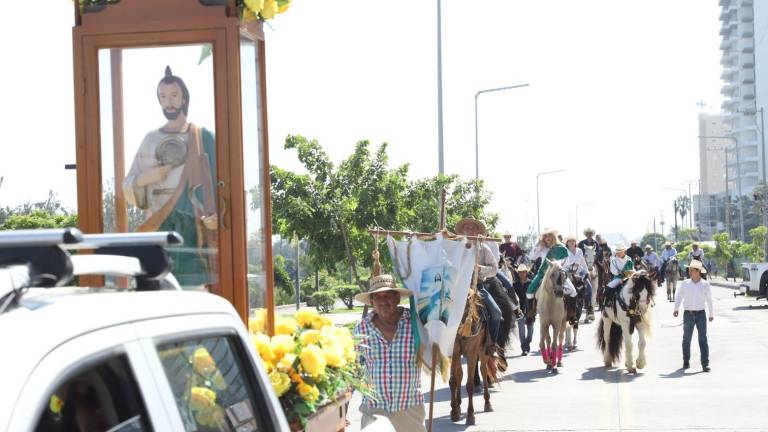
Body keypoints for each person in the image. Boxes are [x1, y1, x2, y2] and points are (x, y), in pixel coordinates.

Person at [123, 66, 218, 289]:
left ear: (184, 98)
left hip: (194, 229)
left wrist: (213, 215)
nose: (169, 102)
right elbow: (128, 187)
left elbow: (222, 184)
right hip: (159, 225)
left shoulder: (202, 137)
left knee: (192, 289)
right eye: (163, 97)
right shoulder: (151, 139)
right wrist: (151, 175)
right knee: (160, 287)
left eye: (174, 95)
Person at [354, 274, 426, 431]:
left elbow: (434, 356)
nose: (382, 301)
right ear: (371, 302)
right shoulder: (362, 328)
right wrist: (343, 407)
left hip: (409, 408)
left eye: (388, 295)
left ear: (398, 298)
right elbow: (354, 369)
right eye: (377, 297)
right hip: (374, 409)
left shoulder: (415, 323)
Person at [455, 218, 519, 359]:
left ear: (478, 231)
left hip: (478, 287)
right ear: (463, 231)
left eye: (473, 228)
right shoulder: (456, 248)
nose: (470, 230)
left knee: (496, 313)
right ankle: (445, 344)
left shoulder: (484, 249)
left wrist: (480, 269)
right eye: (467, 228)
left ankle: (492, 344)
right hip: (458, 288)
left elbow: (494, 269)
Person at [673, 260, 713, 372]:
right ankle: (686, 361)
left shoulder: (705, 284)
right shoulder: (685, 283)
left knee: (702, 339)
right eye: (689, 270)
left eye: (691, 270)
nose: (689, 272)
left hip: (701, 314)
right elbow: (679, 296)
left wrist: (711, 314)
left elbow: (709, 300)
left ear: (698, 271)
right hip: (688, 314)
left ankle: (705, 364)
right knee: (686, 339)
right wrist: (676, 308)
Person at [526, 229, 569, 309]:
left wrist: (557, 264)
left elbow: (567, 262)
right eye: (545, 236)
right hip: (542, 274)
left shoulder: (561, 248)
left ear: (553, 236)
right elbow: (532, 257)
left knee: (572, 291)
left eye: (549, 235)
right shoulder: (542, 248)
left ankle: (571, 314)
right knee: (529, 291)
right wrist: (538, 245)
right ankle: (530, 314)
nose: (547, 237)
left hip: (558, 274)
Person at [512, 265, 533, 355]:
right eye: (520, 272)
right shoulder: (515, 285)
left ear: (526, 272)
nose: (522, 274)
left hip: (530, 309)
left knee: (530, 328)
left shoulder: (531, 283)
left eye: (523, 272)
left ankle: (528, 341)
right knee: (521, 329)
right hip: (519, 309)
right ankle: (524, 347)